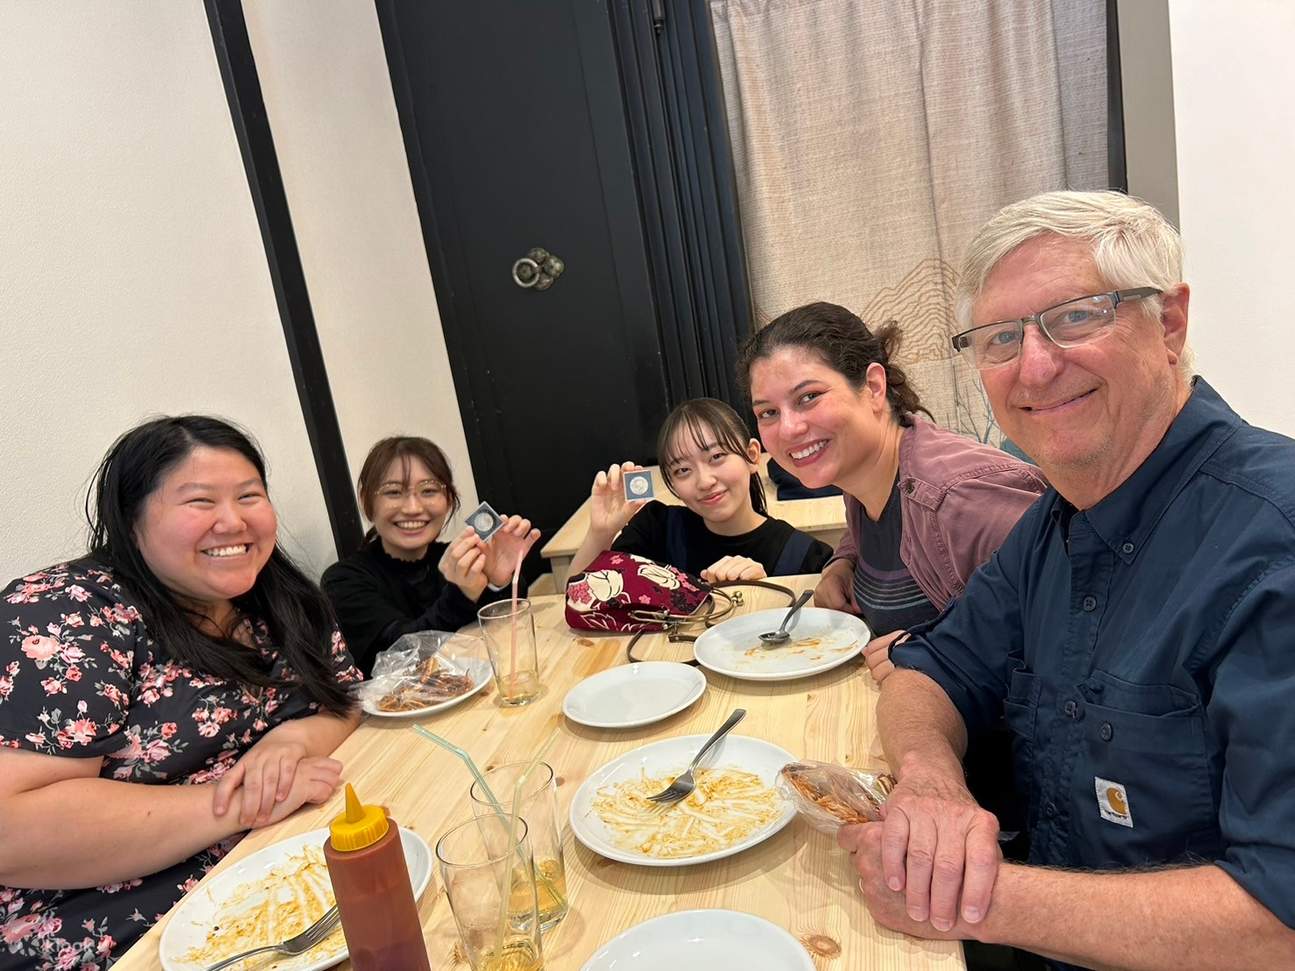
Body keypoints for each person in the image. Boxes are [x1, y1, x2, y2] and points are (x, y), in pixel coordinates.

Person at [839, 191, 1295, 970]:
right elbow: (932, 671)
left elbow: (1277, 917)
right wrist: (928, 781)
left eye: (1077, 316)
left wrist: (966, 891)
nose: (1034, 365)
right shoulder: (1058, 518)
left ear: (1169, 323)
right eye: (999, 338)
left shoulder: (1270, 542)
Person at [0, 416, 361, 970]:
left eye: (249, 496)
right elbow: (14, 831)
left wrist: (292, 741)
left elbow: (345, 699)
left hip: (281, 884)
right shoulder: (65, 614)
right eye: (199, 502)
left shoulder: (281, 598)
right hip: (120, 935)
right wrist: (238, 804)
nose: (233, 520)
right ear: (131, 519)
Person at [741, 303, 1046, 683]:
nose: (788, 430)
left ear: (873, 387)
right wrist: (842, 564)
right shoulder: (862, 475)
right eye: (768, 412)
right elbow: (875, 530)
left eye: (809, 397)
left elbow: (1076, 644)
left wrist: (937, 653)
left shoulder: (961, 500)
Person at [322, 437, 539, 675]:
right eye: (393, 492)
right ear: (366, 500)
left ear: (448, 500)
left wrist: (499, 582)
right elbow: (401, 653)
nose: (413, 507)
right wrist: (460, 595)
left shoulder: (457, 559)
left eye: (428, 490)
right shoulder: (343, 581)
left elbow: (498, 637)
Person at [567, 398, 832, 583]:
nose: (704, 481)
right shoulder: (657, 530)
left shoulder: (805, 556)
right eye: (682, 470)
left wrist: (764, 594)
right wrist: (601, 532)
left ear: (752, 456)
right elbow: (581, 598)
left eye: (716, 456)